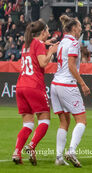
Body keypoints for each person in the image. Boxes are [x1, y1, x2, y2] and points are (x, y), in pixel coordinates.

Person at [12, 19, 58, 165]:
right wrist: (50, 51)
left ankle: (16, 152)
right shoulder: (38, 44)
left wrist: (45, 44)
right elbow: (43, 63)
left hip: (21, 86)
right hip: (34, 85)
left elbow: (34, 51)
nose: (49, 33)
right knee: (44, 120)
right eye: (48, 31)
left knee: (28, 124)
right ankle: (31, 146)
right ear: (42, 32)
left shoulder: (27, 44)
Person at [50, 15, 90, 167]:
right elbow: (72, 66)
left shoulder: (62, 42)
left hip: (55, 84)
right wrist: (83, 84)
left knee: (63, 122)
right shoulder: (73, 42)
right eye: (79, 27)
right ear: (74, 28)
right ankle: (71, 150)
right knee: (81, 120)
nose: (80, 29)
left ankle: (59, 157)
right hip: (67, 84)